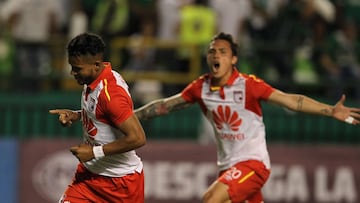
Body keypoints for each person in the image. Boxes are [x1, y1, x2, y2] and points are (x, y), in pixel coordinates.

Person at [134, 32, 360, 203]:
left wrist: (330, 110)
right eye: (212, 51)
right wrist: (129, 117)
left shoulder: (249, 85)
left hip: (253, 164)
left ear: (233, 59)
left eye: (223, 52)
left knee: (210, 199)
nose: (216, 55)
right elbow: (165, 106)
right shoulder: (200, 87)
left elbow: (292, 101)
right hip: (227, 167)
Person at [49, 32, 146, 203]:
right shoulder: (93, 79)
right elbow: (102, 114)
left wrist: (94, 152)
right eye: (72, 67)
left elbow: (138, 138)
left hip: (121, 184)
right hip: (88, 177)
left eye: (77, 69)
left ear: (96, 64)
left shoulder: (112, 95)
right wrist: (77, 115)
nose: (73, 73)